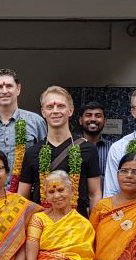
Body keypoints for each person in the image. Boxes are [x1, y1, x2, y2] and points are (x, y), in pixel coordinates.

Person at [16, 86, 101, 215]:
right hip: (42, 228)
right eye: (50, 107)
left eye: (61, 106)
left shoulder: (88, 149)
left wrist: (93, 227)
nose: (55, 111)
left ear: (70, 110)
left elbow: (94, 194)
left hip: (77, 227)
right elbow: (22, 196)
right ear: (43, 112)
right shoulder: (32, 152)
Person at [0, 69, 47, 192]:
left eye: (9, 86)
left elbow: (44, 160)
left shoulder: (36, 122)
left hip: (27, 196)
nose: (4, 91)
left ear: (18, 89)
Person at [78, 101, 110, 169]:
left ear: (105, 121)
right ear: (80, 120)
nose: (93, 119)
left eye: (98, 116)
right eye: (88, 115)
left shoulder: (112, 149)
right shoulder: (72, 147)